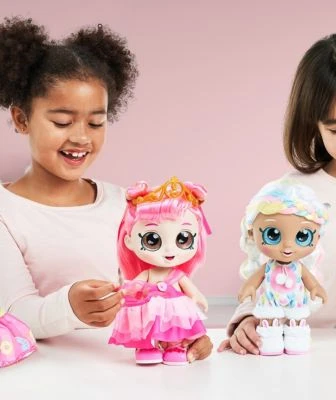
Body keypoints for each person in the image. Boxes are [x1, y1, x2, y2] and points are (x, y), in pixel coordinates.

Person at [0, 17, 212, 362]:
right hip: (38, 374)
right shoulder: (6, 211)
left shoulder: (124, 204)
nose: (81, 137)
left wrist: (183, 333)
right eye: (62, 122)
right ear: (22, 119)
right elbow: (14, 313)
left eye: (96, 122)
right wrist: (69, 306)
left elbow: (153, 287)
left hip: (120, 366)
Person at [218, 31, 336, 356]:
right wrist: (249, 319)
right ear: (314, 127)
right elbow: (263, 272)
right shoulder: (290, 195)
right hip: (300, 353)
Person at [109, 177, 211, 365]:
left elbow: (193, 292)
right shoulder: (148, 275)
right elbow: (133, 286)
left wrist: (197, 298)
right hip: (150, 307)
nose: (169, 250)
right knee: (149, 325)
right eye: (152, 240)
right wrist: (123, 292)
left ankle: (175, 346)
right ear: (129, 241)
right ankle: (148, 346)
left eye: (183, 239)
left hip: (175, 308)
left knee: (175, 328)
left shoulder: (178, 276)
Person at [237, 179, 328, 356]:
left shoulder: (299, 268)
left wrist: (316, 288)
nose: (287, 246)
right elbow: (254, 280)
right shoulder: (268, 267)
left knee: (297, 318)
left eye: (302, 236)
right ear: (251, 233)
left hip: (296, 301)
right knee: (269, 319)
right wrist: (248, 287)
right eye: (273, 234)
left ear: (317, 238)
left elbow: (310, 282)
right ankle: (269, 338)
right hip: (271, 300)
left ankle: (297, 336)